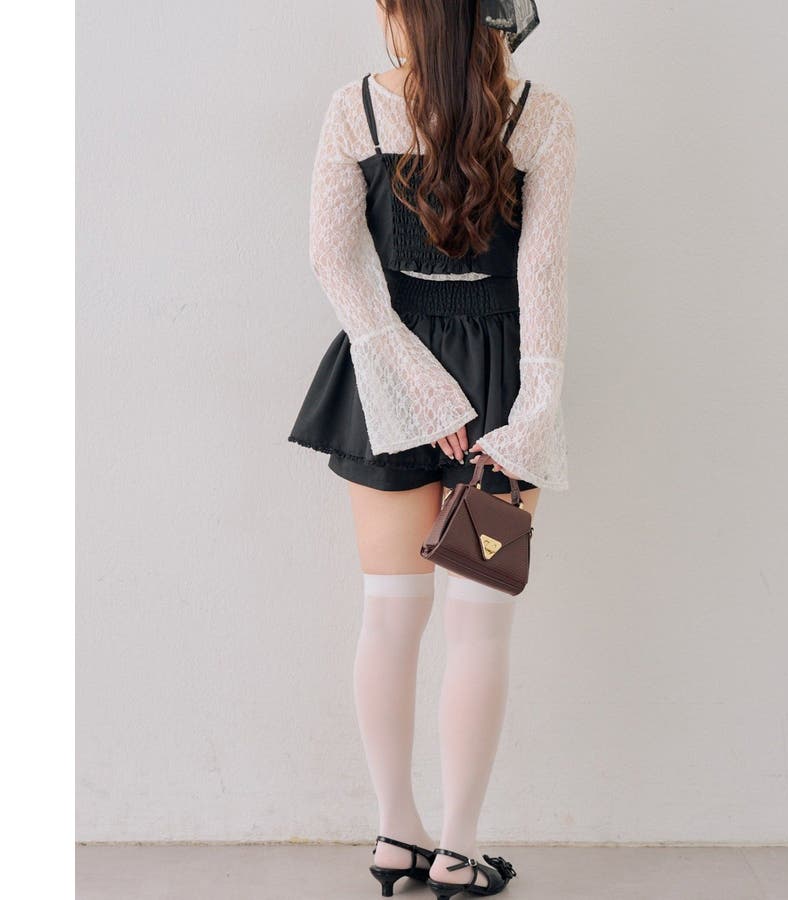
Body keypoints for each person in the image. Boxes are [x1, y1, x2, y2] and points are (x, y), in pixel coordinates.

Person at [287, 2, 576, 896]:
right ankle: (456, 849)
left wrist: (413, 382)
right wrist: (531, 407)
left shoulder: (357, 109)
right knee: (478, 622)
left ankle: (395, 836)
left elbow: (334, 260)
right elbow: (543, 276)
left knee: (388, 613)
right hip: (498, 383)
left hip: (384, 381)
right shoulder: (538, 115)